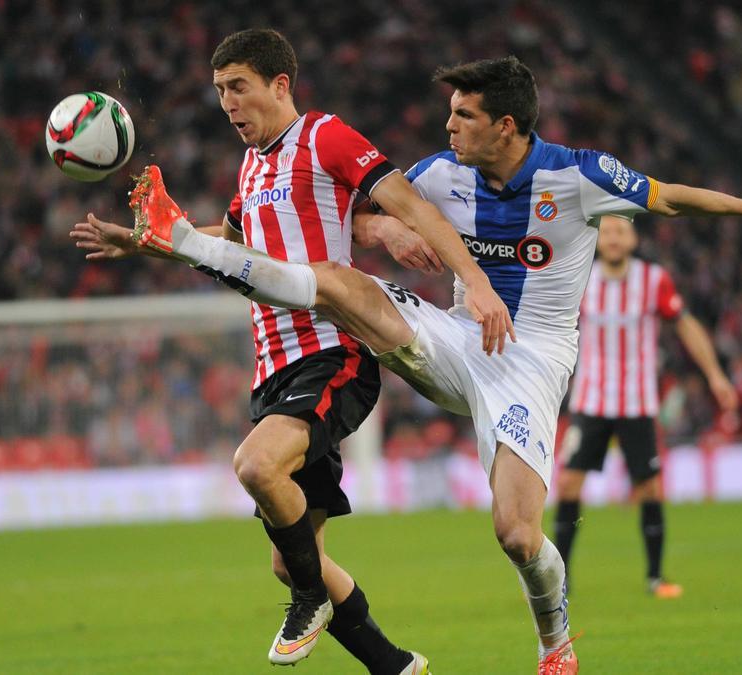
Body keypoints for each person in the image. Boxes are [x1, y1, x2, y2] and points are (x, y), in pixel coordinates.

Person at [94, 56, 742, 674]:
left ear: (506, 125)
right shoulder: (442, 173)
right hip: (453, 334)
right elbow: (356, 211)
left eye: (463, 115)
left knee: (518, 535)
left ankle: (555, 641)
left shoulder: (578, 175)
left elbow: (672, 199)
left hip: (529, 360)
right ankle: (188, 241)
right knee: (345, 286)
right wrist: (382, 228)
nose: (448, 127)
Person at [70, 29, 479, 673]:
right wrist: (139, 241)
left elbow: (412, 204)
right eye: (219, 92)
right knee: (287, 561)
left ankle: (314, 598)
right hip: (273, 366)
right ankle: (395, 666)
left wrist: (464, 275)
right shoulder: (253, 166)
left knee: (257, 468)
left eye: (238, 87)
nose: (228, 104)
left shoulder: (326, 137)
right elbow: (223, 243)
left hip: (332, 351)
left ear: (279, 84)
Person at [553, 214, 739, 600]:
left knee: (652, 488)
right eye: (607, 232)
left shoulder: (653, 280)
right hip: (591, 400)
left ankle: (656, 577)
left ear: (633, 238)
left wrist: (715, 375)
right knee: (569, 483)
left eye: (621, 231)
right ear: (598, 239)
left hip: (637, 402)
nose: (614, 239)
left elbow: (685, 325)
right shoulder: (581, 278)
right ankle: (560, 580)